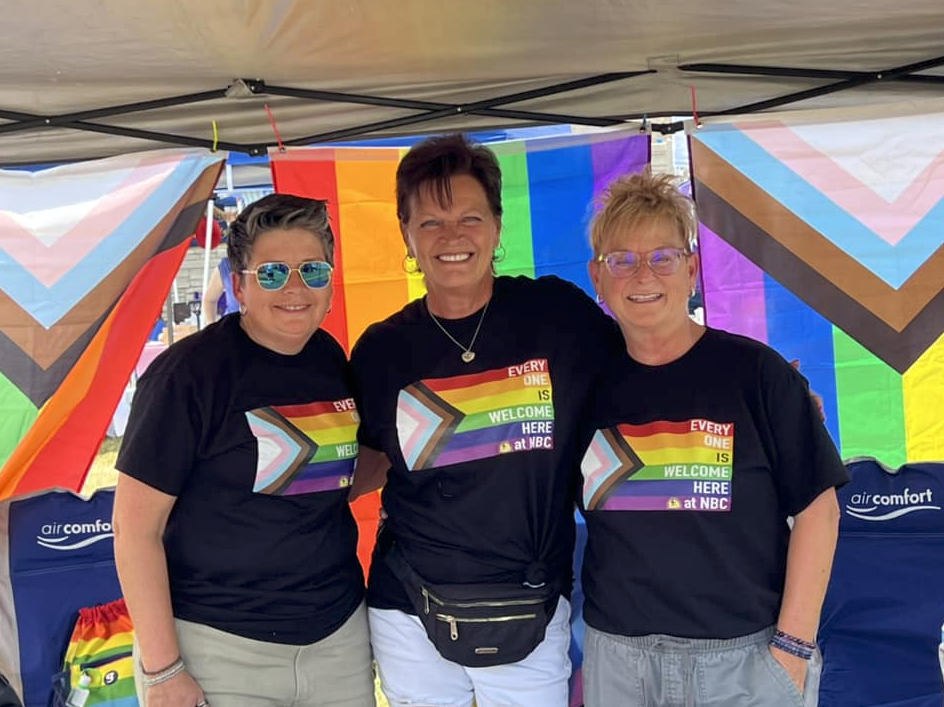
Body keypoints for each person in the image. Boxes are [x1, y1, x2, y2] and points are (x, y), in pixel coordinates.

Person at [349, 134, 622, 707]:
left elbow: (646, 365)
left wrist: (750, 395)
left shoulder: (558, 317)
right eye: (431, 223)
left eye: (469, 217)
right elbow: (367, 460)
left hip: (530, 600)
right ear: (406, 234)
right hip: (410, 607)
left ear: (496, 227)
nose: (452, 237)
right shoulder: (382, 351)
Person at [579, 171, 848, 706]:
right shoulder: (582, 383)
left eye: (663, 256)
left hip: (743, 663)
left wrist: (793, 649)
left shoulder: (757, 374)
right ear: (598, 278)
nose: (643, 274)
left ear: (693, 270)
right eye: (622, 260)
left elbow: (820, 510)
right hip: (621, 666)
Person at [112, 194, 374, 707]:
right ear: (239, 285)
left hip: (337, 640)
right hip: (219, 649)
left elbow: (334, 480)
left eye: (313, 271)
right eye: (273, 273)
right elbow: (134, 531)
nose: (296, 288)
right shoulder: (187, 375)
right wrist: (163, 671)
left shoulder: (328, 357)